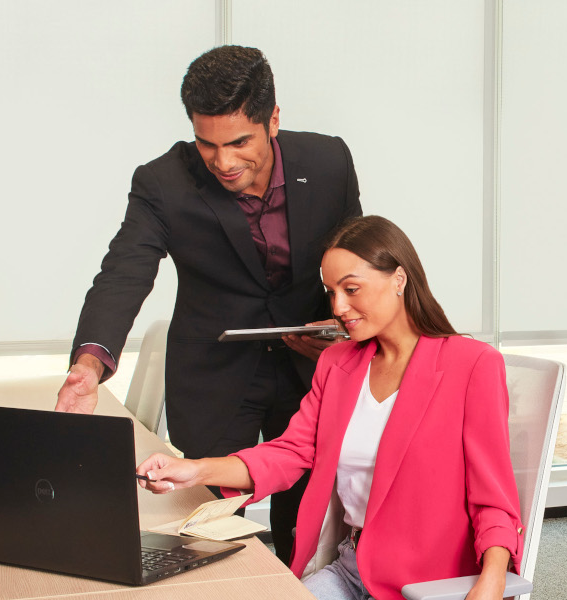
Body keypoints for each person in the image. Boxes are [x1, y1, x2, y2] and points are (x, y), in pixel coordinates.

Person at [53, 45, 362, 564]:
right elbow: (124, 272)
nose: (223, 161)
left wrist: (339, 326)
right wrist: (88, 364)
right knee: (205, 532)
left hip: (310, 370)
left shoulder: (328, 161)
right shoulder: (163, 183)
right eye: (207, 143)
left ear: (274, 120)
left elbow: (357, 261)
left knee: (307, 525)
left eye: (239, 141)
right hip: (215, 378)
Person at [135, 216, 519, 600]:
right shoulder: (339, 364)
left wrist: (491, 582)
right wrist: (194, 470)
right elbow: (291, 452)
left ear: (399, 279)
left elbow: (494, 498)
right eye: (331, 291)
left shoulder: (472, 364)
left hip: (430, 584)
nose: (338, 306)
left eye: (351, 289)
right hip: (353, 568)